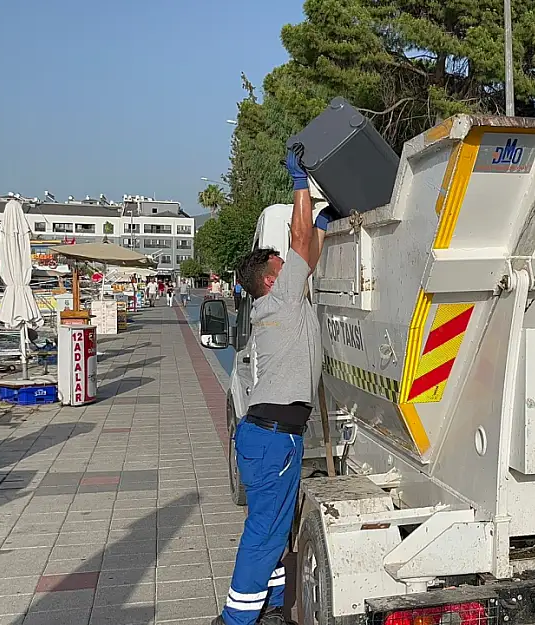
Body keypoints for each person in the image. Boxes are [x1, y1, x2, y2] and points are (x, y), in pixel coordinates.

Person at [213, 149, 338, 625]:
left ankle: (265, 605)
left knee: (275, 527)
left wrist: (325, 222)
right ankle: (235, 620)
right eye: (281, 262)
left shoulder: (280, 301)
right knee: (265, 531)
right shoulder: (281, 299)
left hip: (267, 437)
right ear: (270, 278)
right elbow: (301, 240)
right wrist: (300, 184)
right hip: (271, 440)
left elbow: (308, 248)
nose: (291, 263)